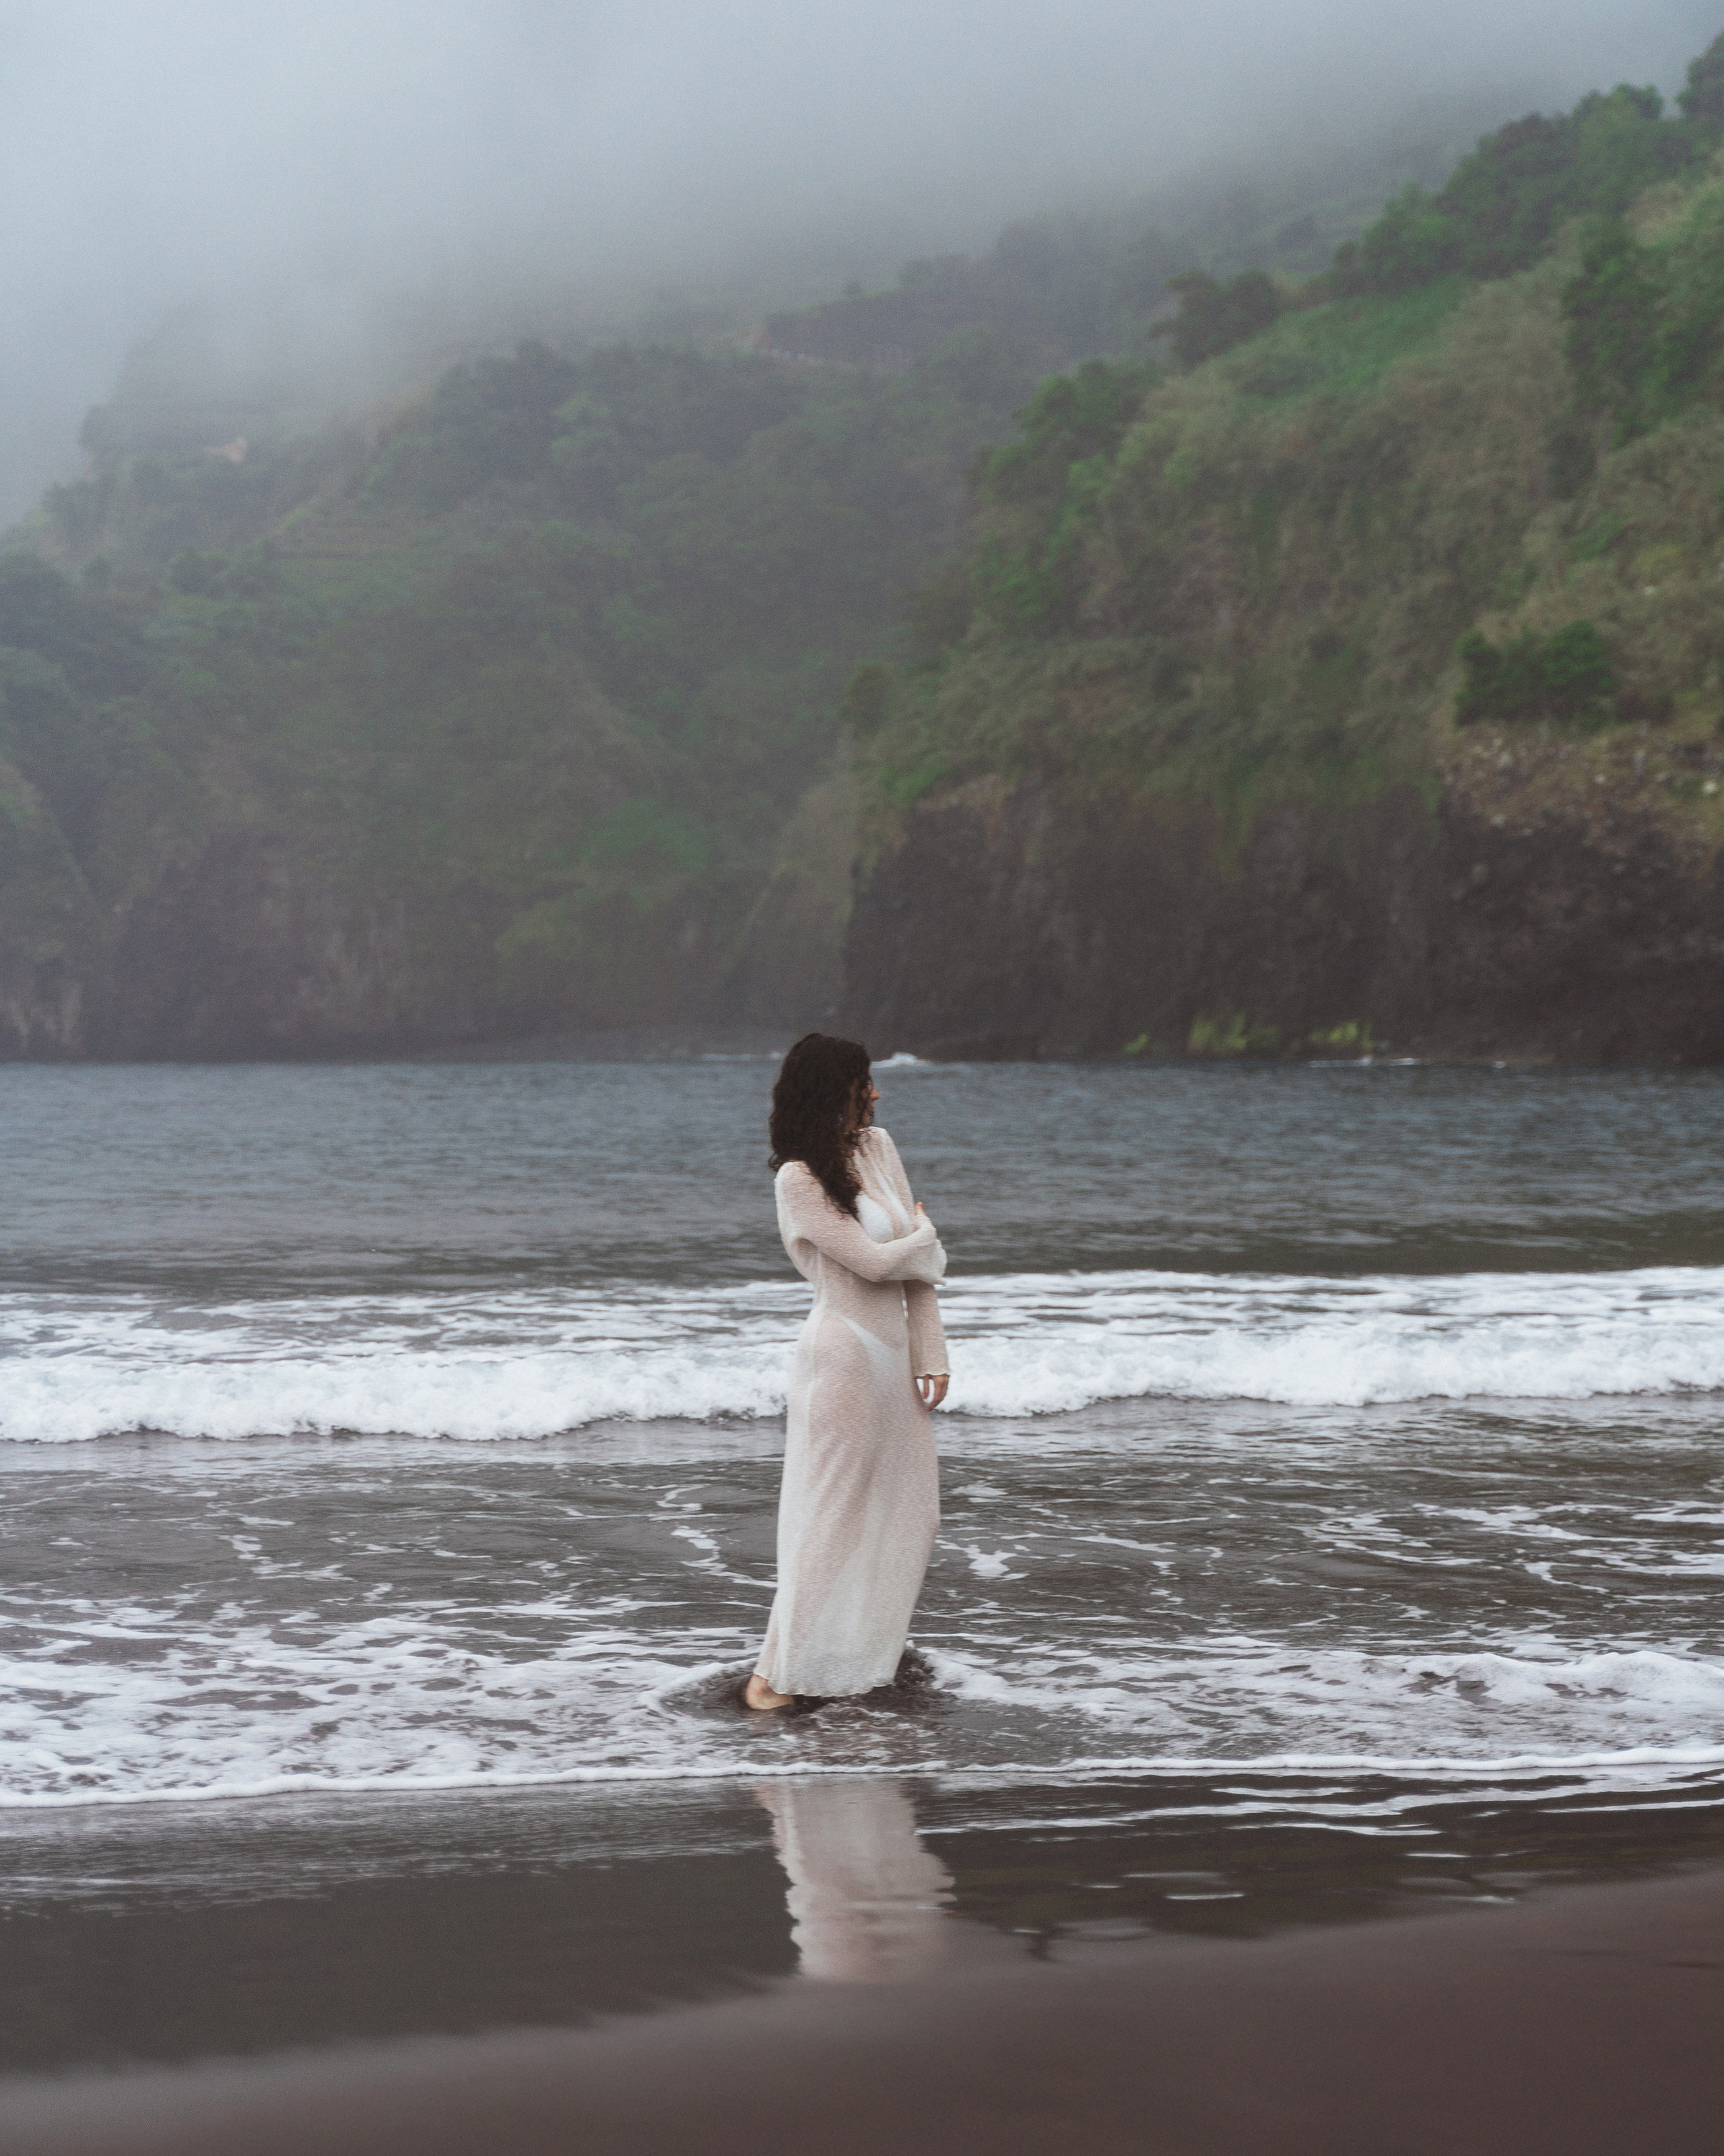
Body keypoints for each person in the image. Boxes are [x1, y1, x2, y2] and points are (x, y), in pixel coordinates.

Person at [745, 1034, 950, 1711]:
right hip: (841, 1356)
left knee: (915, 1514)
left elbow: (916, 1281)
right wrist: (925, 1237)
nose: (876, 1092)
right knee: (830, 1518)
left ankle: (858, 1664)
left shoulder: (878, 1149)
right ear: (833, 1089)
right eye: (864, 1082)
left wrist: (932, 1355)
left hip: (894, 1360)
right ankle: (774, 1678)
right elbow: (875, 1262)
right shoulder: (797, 1178)